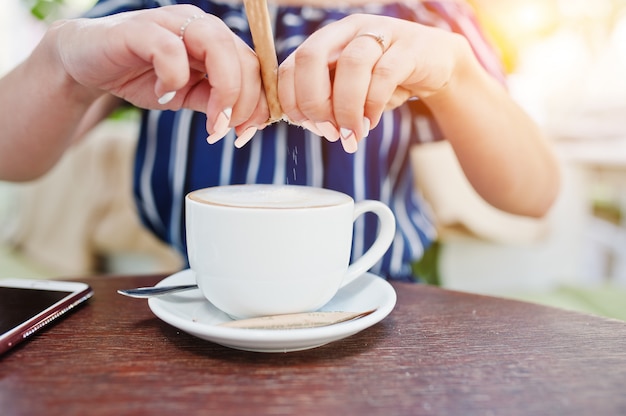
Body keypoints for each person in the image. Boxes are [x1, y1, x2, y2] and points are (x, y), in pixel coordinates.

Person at [0, 0, 560, 282]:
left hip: (387, 309)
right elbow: (10, 158)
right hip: (198, 303)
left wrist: (456, 75)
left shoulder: (421, 17)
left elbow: (532, 194)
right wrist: (61, 66)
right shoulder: (152, 16)